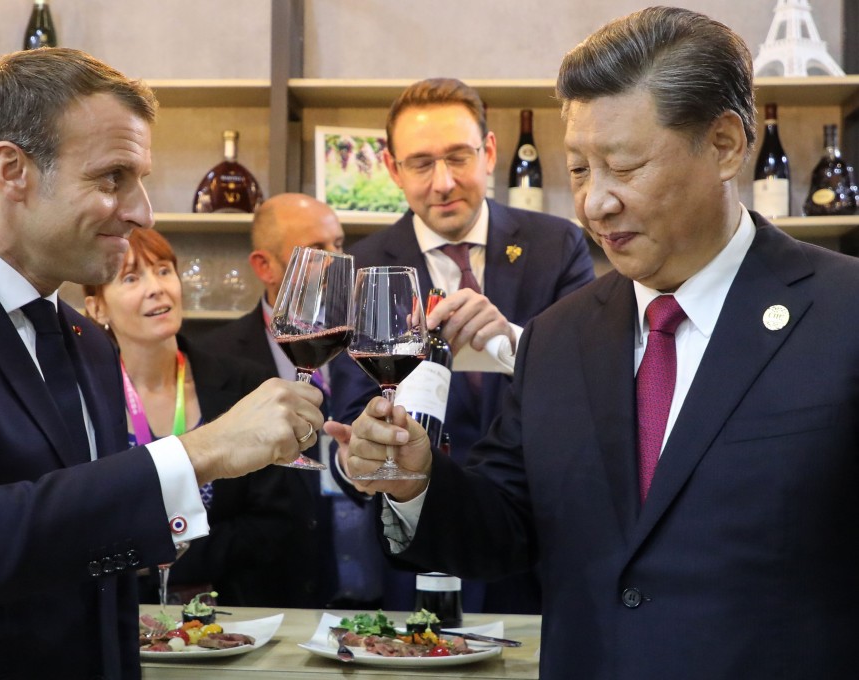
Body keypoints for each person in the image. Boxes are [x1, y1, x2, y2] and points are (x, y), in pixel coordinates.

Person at [337, 7, 859, 678]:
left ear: (726, 145)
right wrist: (415, 482)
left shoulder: (841, 315)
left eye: (625, 166)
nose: (595, 204)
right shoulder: (558, 337)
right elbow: (506, 525)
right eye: (580, 170)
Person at [0, 47, 322, 679]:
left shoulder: (87, 340)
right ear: (11, 169)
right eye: (112, 177)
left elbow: (93, 549)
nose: (142, 211)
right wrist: (199, 451)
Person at [327, 76, 596, 615]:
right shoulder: (363, 266)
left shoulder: (556, 245)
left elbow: (596, 383)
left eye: (458, 157)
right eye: (421, 164)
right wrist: (361, 451)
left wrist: (514, 343)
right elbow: (355, 411)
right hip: (419, 535)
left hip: (539, 538)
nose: (444, 182)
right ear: (392, 169)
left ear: (489, 152)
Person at [83, 227, 310, 608]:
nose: (157, 287)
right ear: (97, 308)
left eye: (164, 270)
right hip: (120, 615)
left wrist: (147, 556)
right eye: (131, 277)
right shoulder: (82, 397)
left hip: (231, 614)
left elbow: (276, 524)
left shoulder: (245, 384)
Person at [202, 193, 384, 609]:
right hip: (272, 598)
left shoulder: (376, 344)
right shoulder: (216, 360)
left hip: (382, 591)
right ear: (265, 266)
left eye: (340, 245)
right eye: (319, 250)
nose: (338, 261)